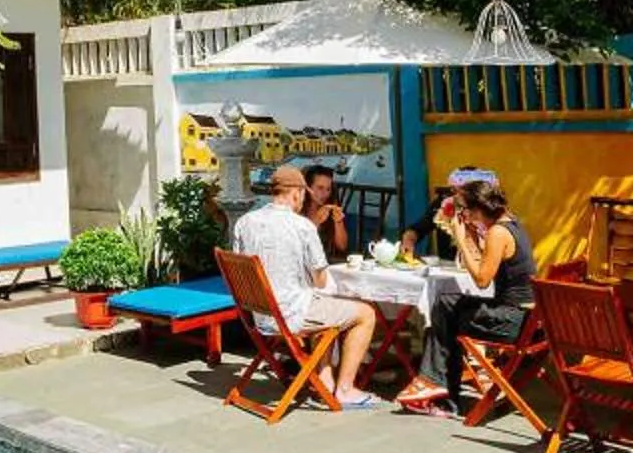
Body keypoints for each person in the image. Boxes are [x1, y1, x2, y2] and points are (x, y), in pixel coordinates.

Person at [230, 165, 384, 410]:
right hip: (291, 314)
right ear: (297, 193)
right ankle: (345, 389)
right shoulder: (303, 227)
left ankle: (323, 380)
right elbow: (321, 281)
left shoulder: (244, 222)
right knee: (365, 313)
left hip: (259, 316)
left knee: (327, 309)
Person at [397, 173, 537, 417]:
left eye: (465, 209)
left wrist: (461, 239)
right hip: (527, 316)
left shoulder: (498, 233)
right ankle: (438, 389)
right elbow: (486, 263)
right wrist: (471, 234)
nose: (464, 215)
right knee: (446, 303)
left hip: (514, 321)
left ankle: (437, 389)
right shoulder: (510, 222)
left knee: (444, 320)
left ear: (478, 208)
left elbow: (482, 280)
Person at [303, 164, 352, 264]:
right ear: (308, 188)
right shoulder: (297, 210)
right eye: (320, 188)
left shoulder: (330, 210)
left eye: (328, 189)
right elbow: (297, 245)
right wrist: (316, 222)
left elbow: (342, 246)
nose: (325, 193)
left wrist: (338, 222)